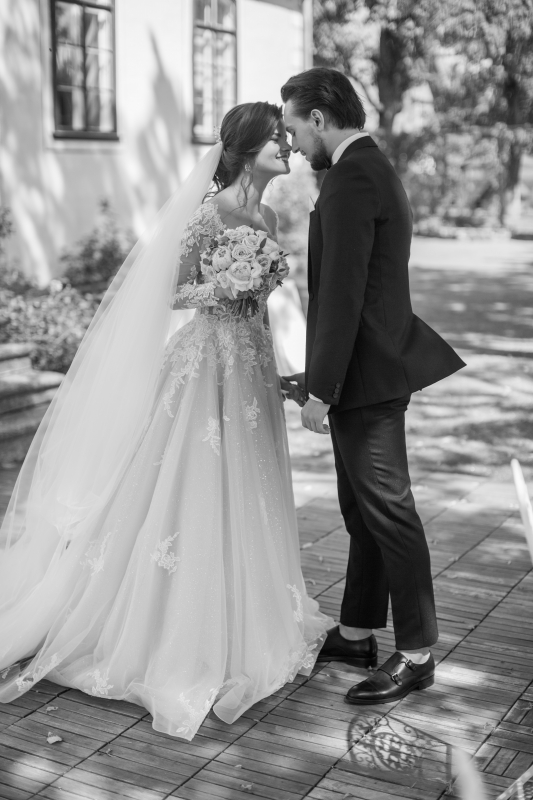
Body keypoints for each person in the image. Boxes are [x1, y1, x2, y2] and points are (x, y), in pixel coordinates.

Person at [0, 102, 331, 739]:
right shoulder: (208, 213)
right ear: (245, 147)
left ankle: (245, 617)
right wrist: (227, 285)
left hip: (250, 370)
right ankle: (171, 632)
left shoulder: (262, 214)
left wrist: (279, 367)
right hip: (204, 365)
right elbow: (175, 289)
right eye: (276, 139)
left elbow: (258, 311)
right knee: (189, 486)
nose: (286, 147)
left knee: (248, 487)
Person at [281, 68, 466, 704]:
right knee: (363, 511)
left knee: (390, 511)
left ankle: (416, 653)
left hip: (366, 376)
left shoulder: (354, 176)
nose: (292, 142)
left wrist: (321, 389)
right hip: (365, 371)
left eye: (294, 128)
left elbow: (342, 293)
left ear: (322, 119)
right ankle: (358, 631)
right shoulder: (363, 169)